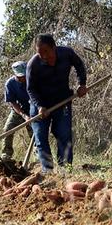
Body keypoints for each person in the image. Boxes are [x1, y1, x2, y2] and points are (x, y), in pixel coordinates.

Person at [26, 33, 87, 173]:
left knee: (64, 134)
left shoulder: (67, 53)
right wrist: (40, 106)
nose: (44, 56)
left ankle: (65, 169)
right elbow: (30, 89)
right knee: (40, 137)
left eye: (46, 51)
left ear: (54, 47)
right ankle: (47, 171)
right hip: (39, 105)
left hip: (62, 100)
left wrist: (82, 84)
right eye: (40, 53)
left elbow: (79, 65)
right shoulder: (33, 65)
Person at [2, 61, 33, 161]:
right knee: (7, 130)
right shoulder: (10, 84)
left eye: (24, 75)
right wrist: (24, 115)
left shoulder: (32, 79)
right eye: (20, 76)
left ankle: (39, 157)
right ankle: (6, 155)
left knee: (35, 132)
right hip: (18, 110)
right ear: (15, 74)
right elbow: (12, 102)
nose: (23, 78)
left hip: (32, 109)